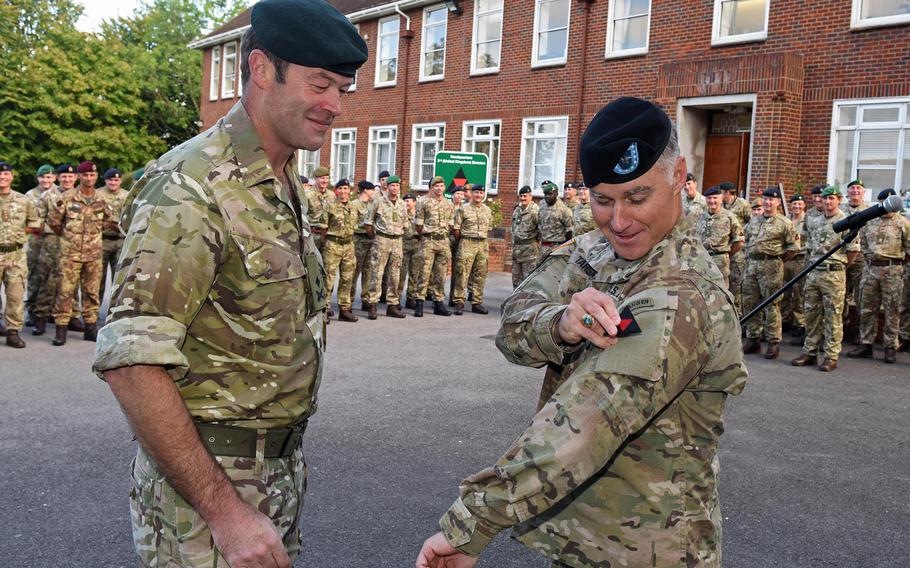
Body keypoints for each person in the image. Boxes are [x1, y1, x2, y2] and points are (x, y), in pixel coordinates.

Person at [416, 96, 747, 568]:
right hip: (580, 542)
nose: (619, 221)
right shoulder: (594, 249)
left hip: (648, 552)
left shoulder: (681, 293)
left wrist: (473, 523)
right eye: (602, 200)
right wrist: (561, 324)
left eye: (637, 197)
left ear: (678, 178)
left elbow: (583, 425)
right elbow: (512, 324)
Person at [92, 2, 367, 565]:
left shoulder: (283, 179)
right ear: (262, 69)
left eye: (342, 89)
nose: (334, 106)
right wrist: (226, 512)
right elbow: (132, 362)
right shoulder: (191, 187)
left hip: (273, 475)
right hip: (205, 499)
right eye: (320, 84)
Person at [791, 187, 860, 372]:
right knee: (811, 314)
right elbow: (808, 247)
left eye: (831, 198)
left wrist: (840, 268)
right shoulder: (814, 220)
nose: (827, 202)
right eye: (825, 199)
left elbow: (853, 251)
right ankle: (810, 352)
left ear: (838, 199)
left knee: (833, 316)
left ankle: (831, 356)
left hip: (833, 273)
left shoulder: (846, 221)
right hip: (814, 272)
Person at [48, 161, 112, 345]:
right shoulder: (67, 198)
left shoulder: (102, 198)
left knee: (91, 292)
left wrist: (94, 235)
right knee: (65, 292)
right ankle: (61, 329)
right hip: (70, 255)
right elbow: (54, 222)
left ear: (96, 176)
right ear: (79, 176)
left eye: (92, 175)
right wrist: (69, 237)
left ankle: (90, 328)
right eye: (85, 175)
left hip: (93, 254)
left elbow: (109, 221)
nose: (88, 178)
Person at [845, 189, 910, 363]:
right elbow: (863, 244)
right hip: (870, 270)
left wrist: (895, 264)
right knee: (867, 309)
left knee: (892, 310)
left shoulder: (903, 223)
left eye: (888, 202)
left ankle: (890, 347)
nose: (885, 205)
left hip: (892, 271)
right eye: (881, 202)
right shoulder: (869, 222)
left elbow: (909, 250)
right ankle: (866, 344)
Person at [741, 187, 798, 359]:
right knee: (750, 303)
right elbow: (747, 240)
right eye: (765, 199)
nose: (767, 202)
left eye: (771, 200)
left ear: (778, 202)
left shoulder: (785, 223)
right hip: (752, 265)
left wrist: (777, 261)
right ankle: (753, 339)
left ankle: (773, 342)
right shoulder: (754, 221)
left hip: (771, 266)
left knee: (771, 305)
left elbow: (793, 248)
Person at [31, 164, 76, 336]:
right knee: (47, 281)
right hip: (52, 244)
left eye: (70, 177)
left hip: (74, 245)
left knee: (71, 282)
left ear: (75, 178)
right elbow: (37, 221)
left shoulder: (78, 195)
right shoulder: (48, 196)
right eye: (64, 176)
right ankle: (40, 317)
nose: (67, 179)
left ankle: (71, 316)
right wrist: (55, 229)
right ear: (58, 178)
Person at [0, 161, 41, 348]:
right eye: (0, 174)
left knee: (15, 295)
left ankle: (13, 331)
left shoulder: (23, 200)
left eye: (6, 174)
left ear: (12, 176)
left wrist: (18, 233)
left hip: (15, 255)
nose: (3, 177)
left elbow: (34, 223)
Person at [365, 174, 407, 319]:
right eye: (392, 186)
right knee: (377, 273)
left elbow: (405, 224)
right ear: (387, 187)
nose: (395, 188)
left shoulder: (402, 204)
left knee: (395, 275)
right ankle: (373, 304)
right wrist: (375, 238)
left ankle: (392, 305)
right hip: (382, 240)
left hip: (397, 241)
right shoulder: (378, 202)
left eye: (397, 186)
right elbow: (368, 223)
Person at [414, 175, 454, 317]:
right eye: (436, 185)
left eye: (442, 185)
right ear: (431, 187)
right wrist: (427, 234)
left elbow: (450, 224)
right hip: (428, 241)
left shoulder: (449, 204)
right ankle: (419, 302)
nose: (439, 188)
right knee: (424, 273)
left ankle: (438, 303)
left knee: (441, 274)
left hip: (443, 242)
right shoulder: (423, 202)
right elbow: (418, 225)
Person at [24, 164, 57, 324]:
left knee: (53, 276)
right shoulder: (30, 195)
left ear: (54, 177)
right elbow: (29, 221)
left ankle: (48, 310)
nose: (46, 180)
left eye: (49, 177)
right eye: (43, 177)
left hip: (55, 241)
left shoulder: (59, 193)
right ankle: (31, 310)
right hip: (36, 241)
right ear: (38, 178)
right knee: (34, 275)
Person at [452, 184, 492, 315]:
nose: (479, 195)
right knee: (462, 273)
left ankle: (477, 302)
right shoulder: (463, 209)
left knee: (480, 274)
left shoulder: (487, 210)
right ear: (472, 194)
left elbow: (489, 228)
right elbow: (456, 230)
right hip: (467, 242)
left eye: (481, 193)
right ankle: (459, 301)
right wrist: (462, 241)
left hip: (482, 244)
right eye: (476, 193)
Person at [323, 178, 358, 322]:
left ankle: (344, 309)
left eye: (346, 188)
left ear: (349, 191)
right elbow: (323, 228)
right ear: (336, 191)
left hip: (349, 245)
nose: (343, 191)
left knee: (347, 278)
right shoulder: (330, 206)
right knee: (328, 279)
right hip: (333, 245)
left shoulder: (353, 207)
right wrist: (326, 244)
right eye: (340, 188)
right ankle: (324, 309)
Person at [695, 184, 744, 287]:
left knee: (720, 292)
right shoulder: (700, 216)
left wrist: (726, 255)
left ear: (721, 199)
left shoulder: (729, 217)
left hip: (720, 261)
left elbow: (739, 242)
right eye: (709, 198)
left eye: (715, 198)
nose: (712, 201)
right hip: (701, 260)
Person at [841, 179, 870, 342]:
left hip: (860, 258)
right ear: (848, 192)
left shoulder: (869, 210)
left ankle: (860, 331)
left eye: (858, 188)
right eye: (852, 188)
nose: (855, 191)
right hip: (843, 255)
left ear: (863, 192)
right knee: (841, 293)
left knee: (861, 295)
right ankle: (842, 327)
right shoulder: (841, 209)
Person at [98, 168, 128, 312]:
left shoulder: (127, 196)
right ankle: (93, 313)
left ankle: (115, 311)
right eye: (110, 180)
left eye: (116, 180)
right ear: (106, 180)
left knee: (120, 278)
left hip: (120, 241)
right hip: (102, 241)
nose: (113, 182)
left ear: (120, 180)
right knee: (97, 279)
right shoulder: (98, 195)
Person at [722, 181, 751, 315]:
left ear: (727, 193)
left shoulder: (742, 204)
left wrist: (743, 235)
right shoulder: (721, 205)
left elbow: (752, 222)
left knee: (736, 282)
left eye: (721, 192)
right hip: (725, 247)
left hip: (738, 248)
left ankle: (738, 313)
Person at [784, 193, 807, 340]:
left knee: (799, 292)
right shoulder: (786, 220)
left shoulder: (807, 221)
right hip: (787, 259)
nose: (797, 207)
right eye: (794, 204)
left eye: (799, 204)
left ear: (804, 205)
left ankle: (799, 323)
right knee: (784, 290)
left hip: (800, 259)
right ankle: (785, 319)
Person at [352, 179, 376, 310]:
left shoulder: (373, 204)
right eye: (372, 189)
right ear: (366, 190)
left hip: (370, 240)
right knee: (354, 271)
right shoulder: (355, 204)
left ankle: (365, 299)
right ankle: (348, 299)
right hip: (358, 239)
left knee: (368, 271)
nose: (374, 192)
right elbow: (352, 223)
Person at [510, 185, 539, 288]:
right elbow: (513, 229)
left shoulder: (535, 211)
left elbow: (540, 231)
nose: (522, 198)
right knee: (516, 280)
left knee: (528, 280)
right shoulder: (517, 210)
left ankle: (527, 303)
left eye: (525, 196)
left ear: (530, 196)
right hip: (517, 251)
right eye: (521, 196)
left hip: (529, 252)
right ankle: (516, 302)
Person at [537, 180, 573, 260]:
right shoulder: (541, 205)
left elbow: (569, 231)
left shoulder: (564, 209)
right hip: (543, 247)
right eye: (545, 194)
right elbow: (539, 223)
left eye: (550, 194)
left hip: (557, 247)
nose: (548, 196)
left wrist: (565, 249)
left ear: (556, 194)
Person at [306, 165, 335, 253]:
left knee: (328, 264)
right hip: (313, 234)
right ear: (315, 178)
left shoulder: (332, 195)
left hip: (328, 235)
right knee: (313, 262)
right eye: (322, 178)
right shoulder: (307, 195)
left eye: (327, 178)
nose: (325, 181)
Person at [399, 192, 421, 309]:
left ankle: (411, 298)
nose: (406, 203)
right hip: (403, 246)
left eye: (409, 201)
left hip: (416, 246)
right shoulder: (401, 214)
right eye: (405, 201)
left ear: (414, 202)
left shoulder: (418, 215)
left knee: (415, 273)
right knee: (401, 273)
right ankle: (396, 298)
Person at [448, 185, 466, 306]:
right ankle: (435, 296)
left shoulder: (465, 208)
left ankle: (453, 297)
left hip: (459, 240)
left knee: (457, 269)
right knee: (441, 268)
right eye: (457, 194)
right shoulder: (448, 206)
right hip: (447, 238)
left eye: (461, 194)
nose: (459, 196)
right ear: (452, 195)